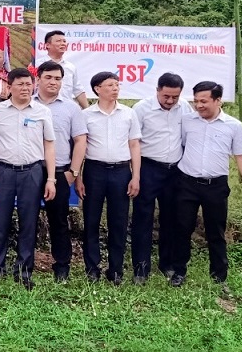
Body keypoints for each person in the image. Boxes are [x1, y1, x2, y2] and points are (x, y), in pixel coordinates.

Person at [172, 81, 242, 288]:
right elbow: (181, 145)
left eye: (204, 101)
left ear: (218, 100)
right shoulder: (187, 121)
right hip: (187, 183)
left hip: (216, 186)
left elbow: (241, 155)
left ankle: (219, 276)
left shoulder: (234, 126)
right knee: (182, 228)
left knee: (216, 231)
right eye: (196, 101)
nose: (199, 105)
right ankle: (179, 271)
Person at [0, 67, 56, 289]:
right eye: (20, 84)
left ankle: (24, 271)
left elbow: (49, 145)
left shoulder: (42, 111)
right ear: (9, 87)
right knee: (0, 222)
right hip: (3, 171)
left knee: (28, 222)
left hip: (32, 172)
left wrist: (51, 178)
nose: (25, 88)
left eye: (28, 84)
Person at [79, 71, 142, 284]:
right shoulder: (86, 115)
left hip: (121, 172)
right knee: (91, 219)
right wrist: (78, 177)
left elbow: (134, 145)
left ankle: (116, 269)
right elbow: (81, 147)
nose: (115, 88)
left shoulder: (128, 113)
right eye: (110, 85)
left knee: (119, 221)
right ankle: (92, 268)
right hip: (94, 171)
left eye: (117, 85)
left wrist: (136, 176)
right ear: (97, 89)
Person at [131, 73, 192, 284]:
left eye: (175, 97)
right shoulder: (141, 109)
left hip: (174, 171)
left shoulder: (184, 107)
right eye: (166, 96)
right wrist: (135, 174)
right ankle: (141, 268)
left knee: (171, 218)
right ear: (157, 90)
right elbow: (133, 142)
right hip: (148, 168)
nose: (170, 101)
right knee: (142, 218)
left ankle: (167, 264)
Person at [35, 60, 89, 282]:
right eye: (48, 77)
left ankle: (62, 266)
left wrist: (73, 172)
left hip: (60, 173)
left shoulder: (71, 108)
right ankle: (24, 263)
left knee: (58, 220)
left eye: (57, 78)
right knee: (27, 218)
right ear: (38, 79)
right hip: (30, 171)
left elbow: (80, 141)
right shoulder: (26, 103)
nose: (53, 82)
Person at [39, 30, 88, 108]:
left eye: (64, 41)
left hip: (66, 109)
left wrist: (87, 111)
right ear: (48, 45)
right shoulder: (37, 65)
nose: (63, 44)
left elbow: (78, 90)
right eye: (58, 41)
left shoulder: (70, 67)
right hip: (43, 107)